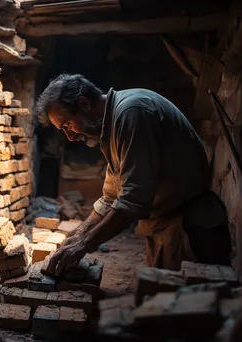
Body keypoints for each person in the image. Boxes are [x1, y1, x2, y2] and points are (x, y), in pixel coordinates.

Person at [36, 73, 232, 276]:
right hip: (167, 225)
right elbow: (111, 197)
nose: (69, 136)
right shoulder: (111, 127)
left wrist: (84, 244)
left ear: (84, 104)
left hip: (192, 227)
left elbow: (133, 201)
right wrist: (78, 235)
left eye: (67, 125)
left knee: (193, 302)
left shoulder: (132, 113)